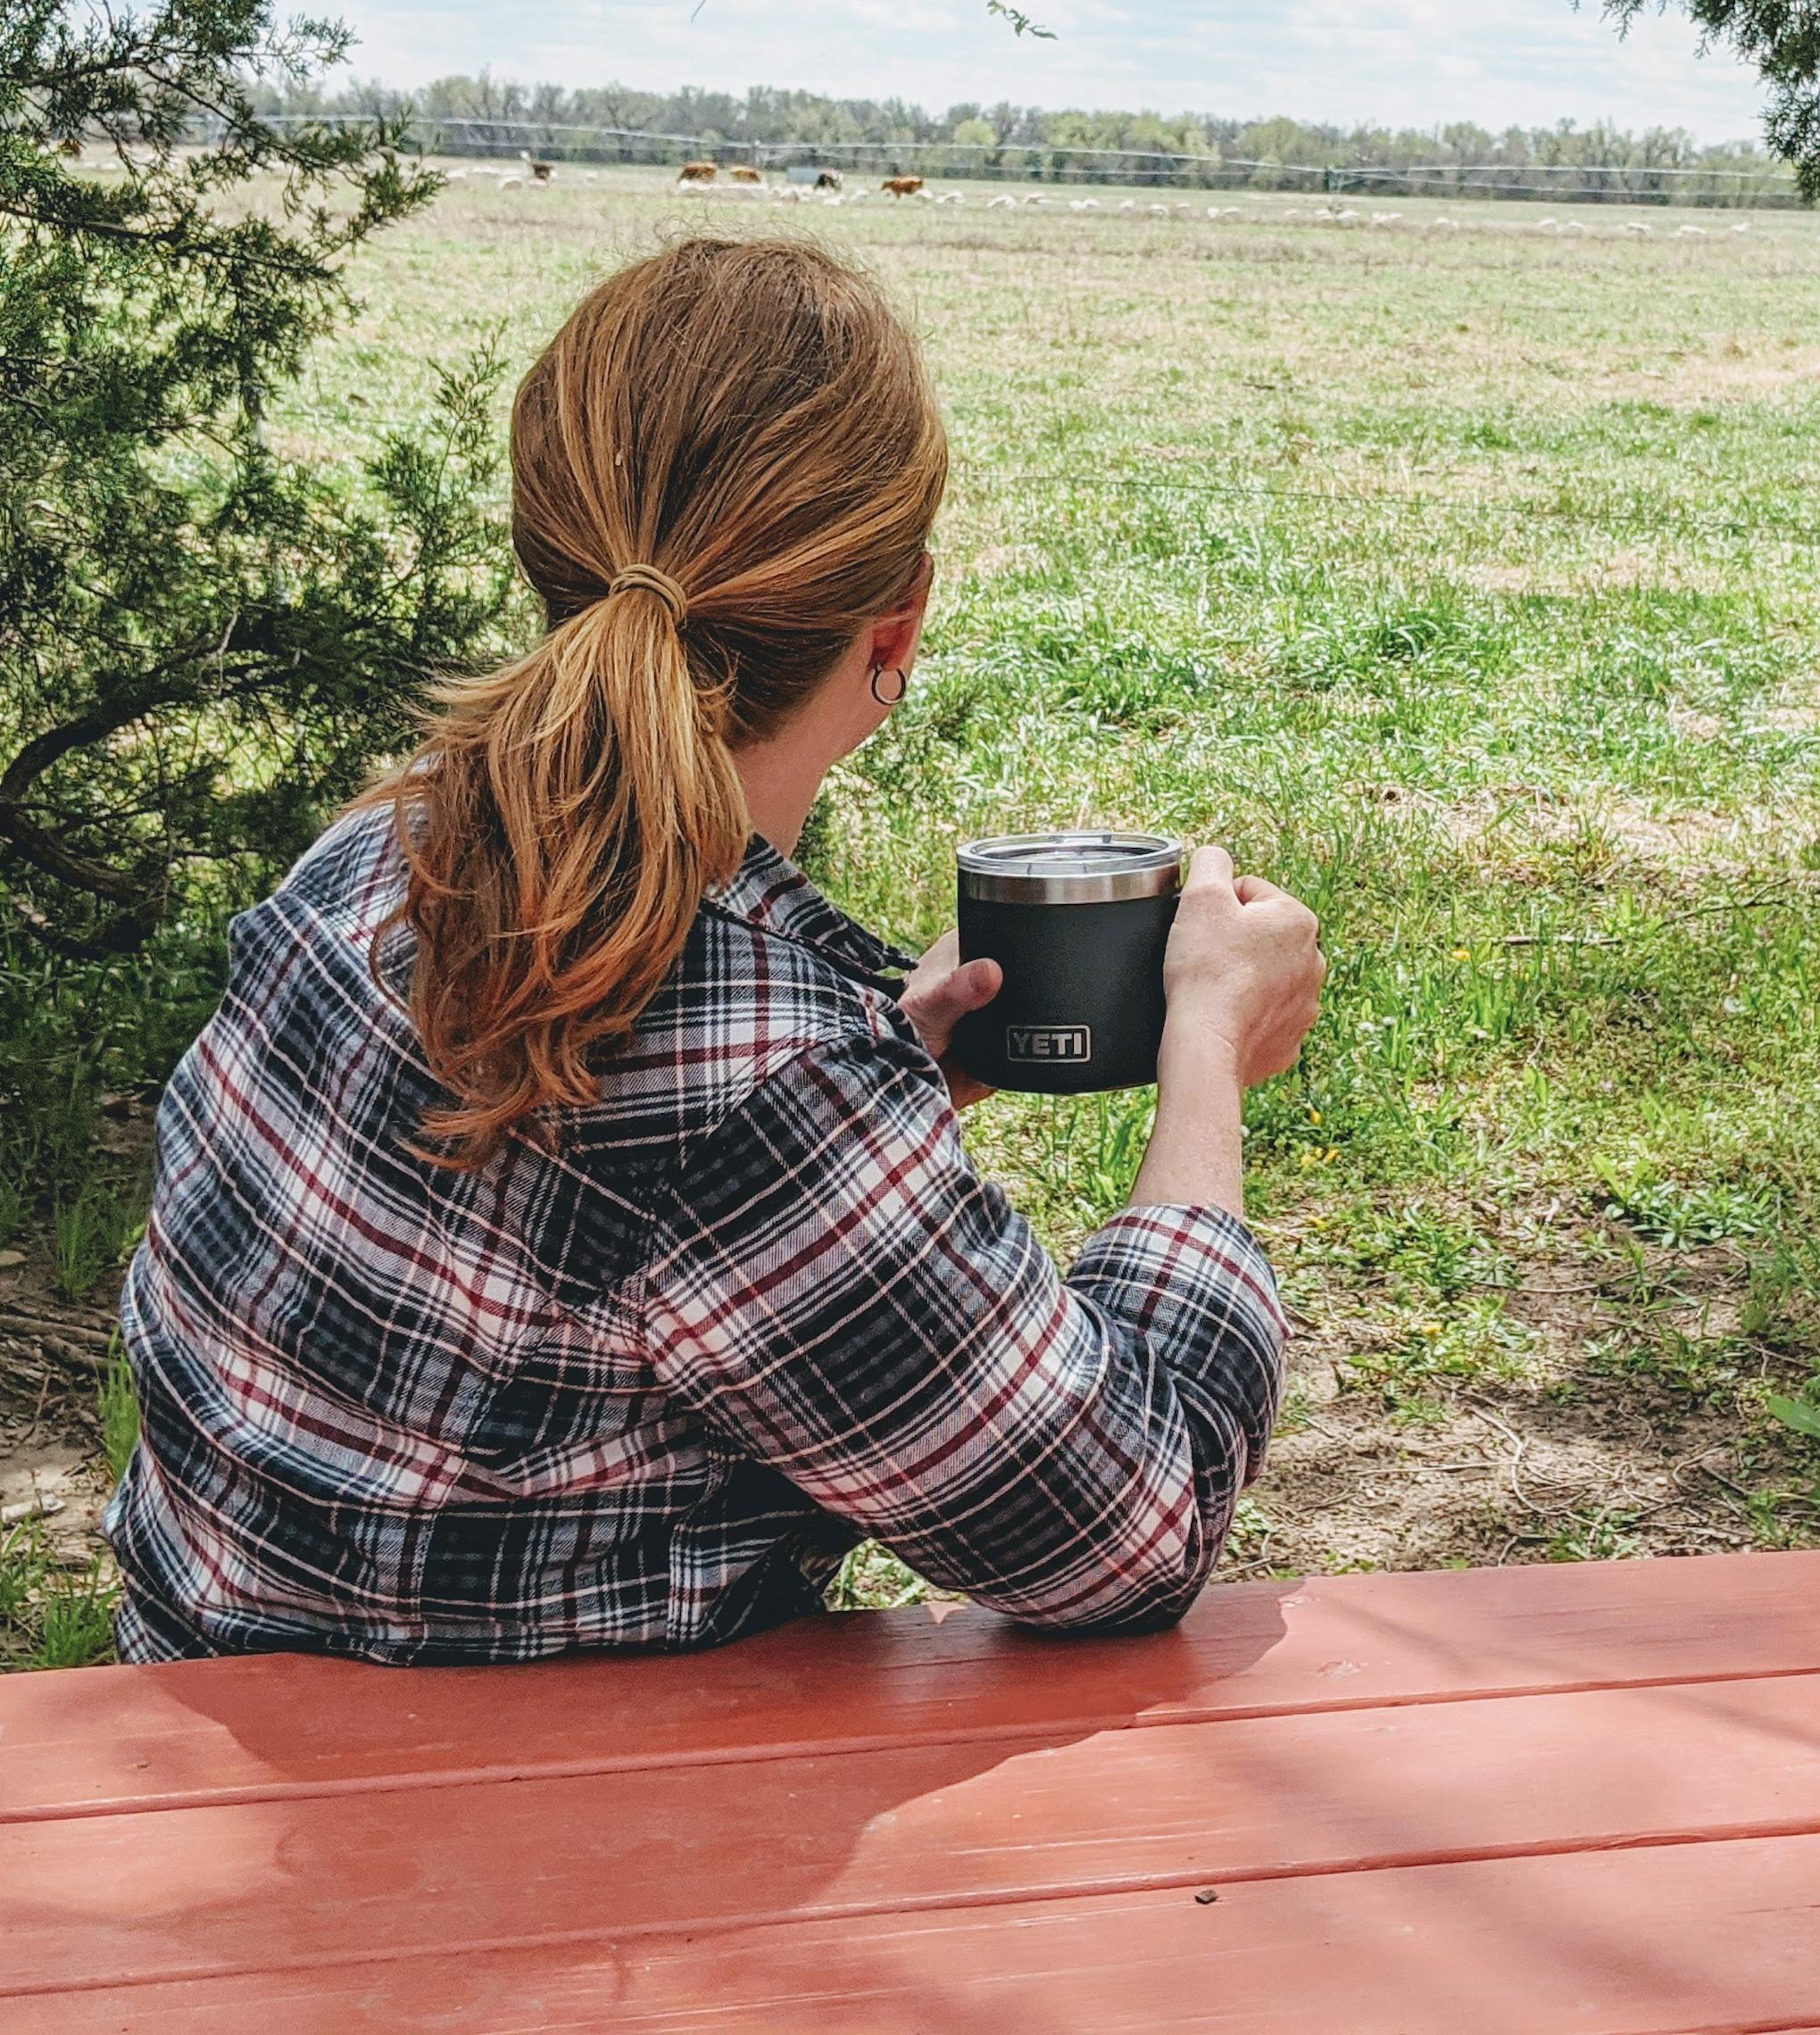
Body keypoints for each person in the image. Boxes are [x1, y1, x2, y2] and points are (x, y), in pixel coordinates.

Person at [104, 237, 1323, 1663]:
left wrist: (882, 1084)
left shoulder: (380, 849)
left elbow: (580, 1213)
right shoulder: (761, 1079)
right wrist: (1205, 1058)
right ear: (901, 618)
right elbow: (1127, 1529)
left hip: (217, 1739)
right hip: (527, 1847)